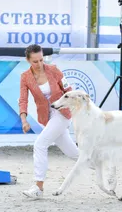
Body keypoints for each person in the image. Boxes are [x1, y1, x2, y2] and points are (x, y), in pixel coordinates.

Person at [18, 44, 79, 199]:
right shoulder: (25, 77)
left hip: (62, 113)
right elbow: (23, 100)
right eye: (35, 62)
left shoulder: (54, 70)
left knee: (40, 144)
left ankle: (38, 187)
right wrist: (24, 120)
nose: (39, 64)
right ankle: (103, 167)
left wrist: (76, 110)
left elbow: (68, 90)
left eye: (41, 60)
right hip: (46, 117)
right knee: (73, 153)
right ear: (28, 60)